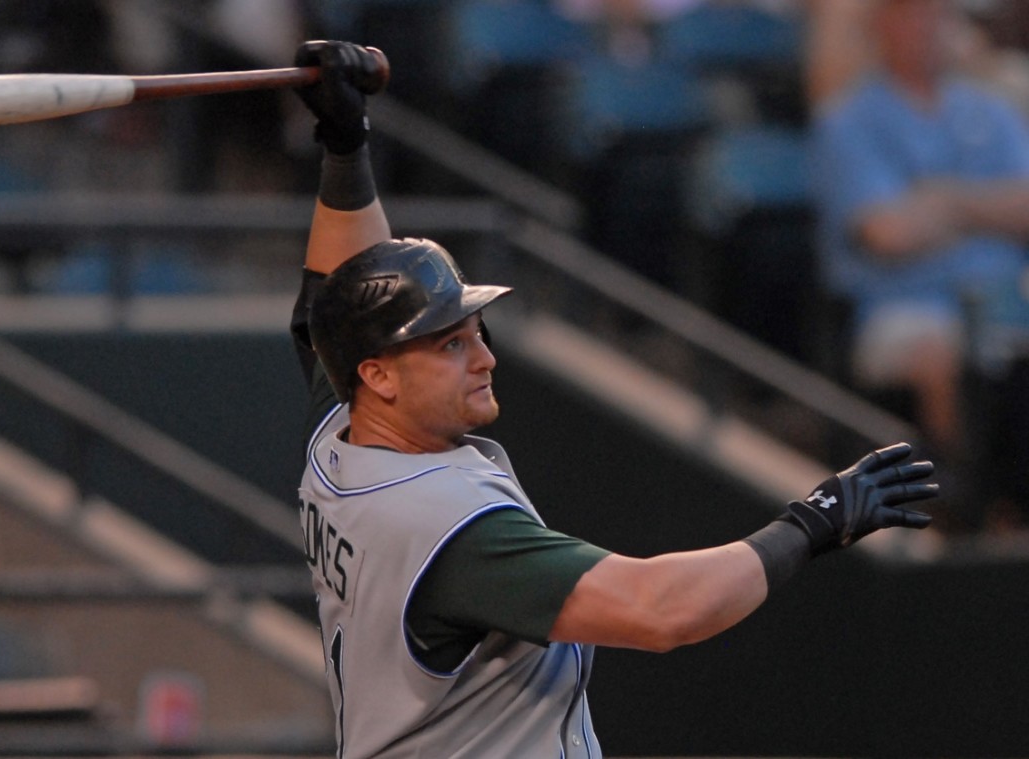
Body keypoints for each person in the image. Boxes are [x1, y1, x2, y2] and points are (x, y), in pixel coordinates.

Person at [290, 40, 939, 759]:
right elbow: (663, 610)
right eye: (450, 344)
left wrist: (345, 144)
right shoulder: (444, 524)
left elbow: (337, 290)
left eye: (477, 332)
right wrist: (813, 521)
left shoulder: (342, 434)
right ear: (380, 375)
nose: (485, 358)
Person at [809, 0, 1029, 529]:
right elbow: (889, 233)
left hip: (1006, 298)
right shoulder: (850, 119)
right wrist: (984, 210)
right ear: (880, 27)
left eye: (936, 14)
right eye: (911, 15)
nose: (927, 28)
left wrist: (945, 201)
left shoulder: (989, 111)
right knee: (944, 350)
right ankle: (970, 509)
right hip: (903, 307)